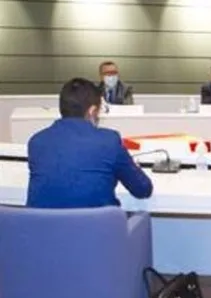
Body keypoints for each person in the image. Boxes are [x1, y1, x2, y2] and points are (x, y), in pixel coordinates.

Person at [26, 78, 153, 209]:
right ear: (92, 111)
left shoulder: (36, 142)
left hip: (43, 223)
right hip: (99, 223)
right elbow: (143, 189)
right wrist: (131, 167)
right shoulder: (109, 141)